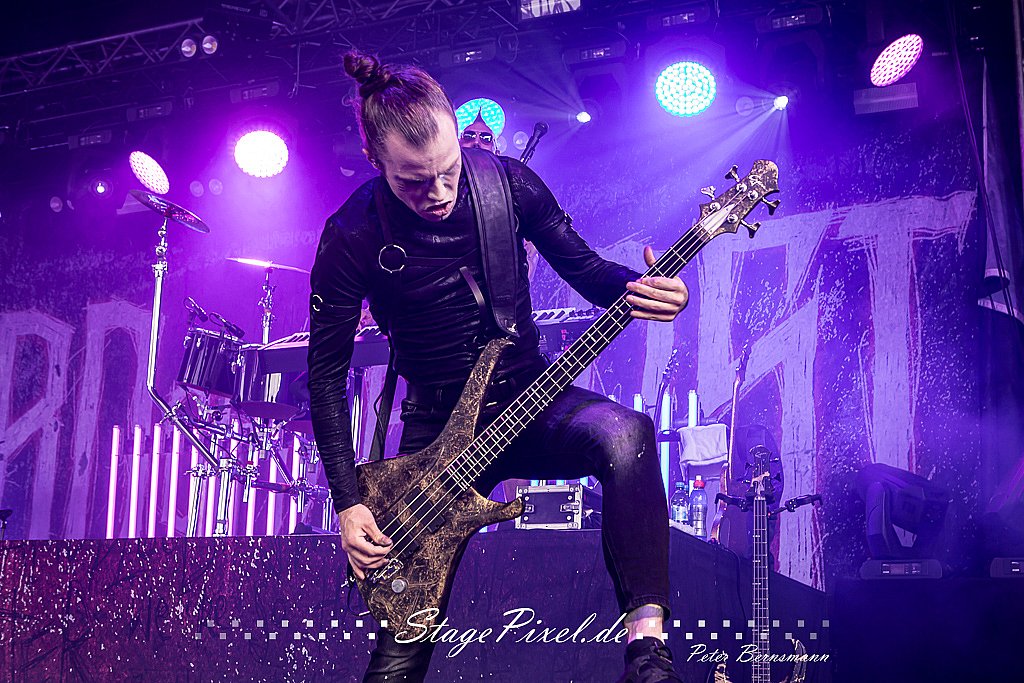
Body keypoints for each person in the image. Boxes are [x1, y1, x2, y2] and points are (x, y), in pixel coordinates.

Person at [307, 51, 690, 683]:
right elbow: (324, 377)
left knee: (628, 434)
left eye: (447, 170)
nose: (439, 193)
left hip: (530, 397)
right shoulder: (352, 234)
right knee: (406, 632)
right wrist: (347, 503)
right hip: (436, 428)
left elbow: (590, 272)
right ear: (375, 160)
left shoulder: (508, 185)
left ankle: (647, 656)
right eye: (414, 182)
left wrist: (649, 289)